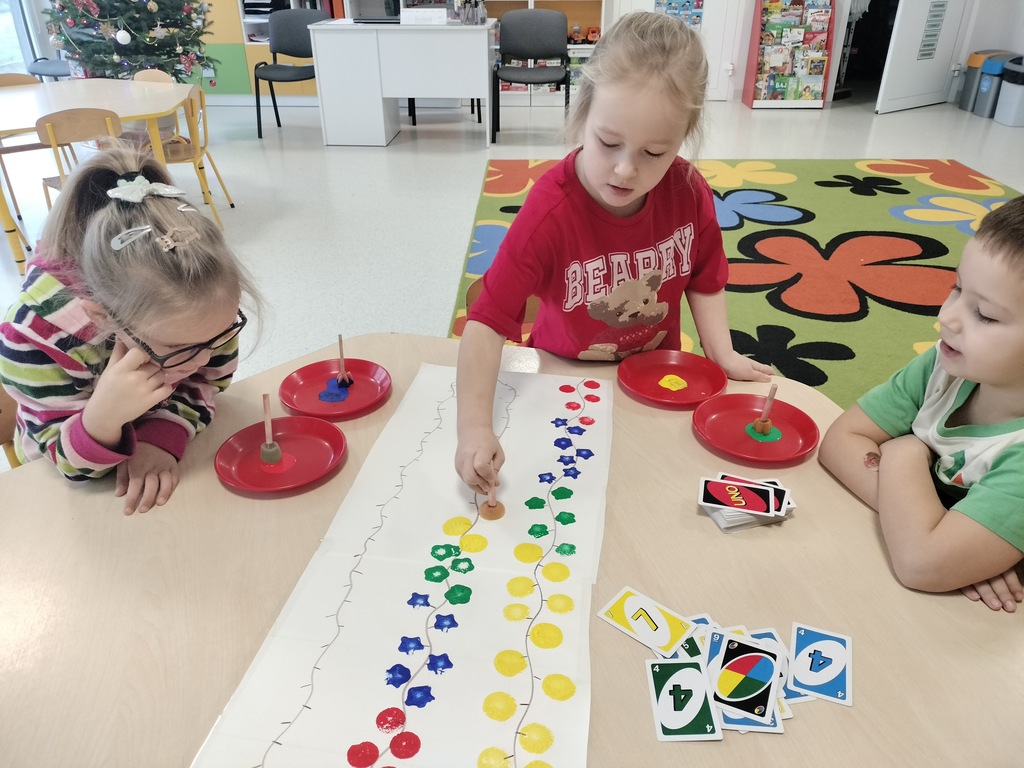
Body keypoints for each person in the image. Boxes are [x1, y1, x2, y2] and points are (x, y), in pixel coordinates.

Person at [455, 12, 771, 494]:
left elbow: (706, 277)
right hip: (562, 376)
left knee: (648, 493)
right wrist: (474, 429)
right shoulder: (549, 211)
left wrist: (722, 353)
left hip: (654, 379)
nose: (625, 170)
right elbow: (487, 320)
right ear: (582, 113)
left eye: (654, 153)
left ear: (683, 138)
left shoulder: (688, 191)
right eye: (608, 143)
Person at [0, 145, 260, 515]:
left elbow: (207, 381)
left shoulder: (203, 313)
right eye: (179, 349)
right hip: (69, 489)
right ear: (102, 317)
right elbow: (64, 462)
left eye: (216, 337)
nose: (205, 357)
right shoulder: (33, 335)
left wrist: (161, 434)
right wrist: (103, 418)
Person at [819, 196, 1024, 613]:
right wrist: (931, 529)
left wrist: (904, 451)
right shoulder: (946, 366)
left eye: (985, 314)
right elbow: (840, 440)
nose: (947, 316)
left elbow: (920, 563)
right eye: (958, 288)